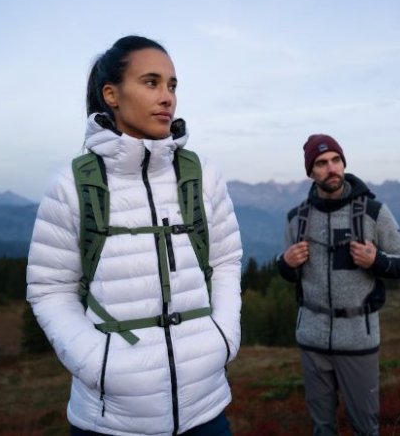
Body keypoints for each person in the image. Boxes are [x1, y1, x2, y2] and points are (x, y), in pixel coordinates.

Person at [26, 35, 242, 436]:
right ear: (111, 94)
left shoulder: (202, 175)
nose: (167, 97)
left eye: (172, 85)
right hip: (111, 421)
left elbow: (226, 261)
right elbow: (49, 289)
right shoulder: (73, 184)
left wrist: (223, 339)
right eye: (151, 82)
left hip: (205, 411)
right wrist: (100, 365)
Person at [276, 134, 400, 436]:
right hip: (311, 340)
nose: (331, 168)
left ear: (343, 163)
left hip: (358, 341)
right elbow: (289, 272)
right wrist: (285, 263)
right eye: (322, 163)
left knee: (365, 428)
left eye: (336, 160)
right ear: (310, 172)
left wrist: (377, 260)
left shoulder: (372, 212)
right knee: (322, 428)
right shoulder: (296, 218)